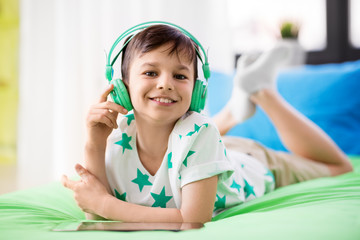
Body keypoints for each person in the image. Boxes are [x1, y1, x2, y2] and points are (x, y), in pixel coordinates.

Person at [61, 23, 353, 224]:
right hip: (201, 153)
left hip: (249, 160)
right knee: (199, 135)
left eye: (180, 76)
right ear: (121, 87)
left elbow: (192, 218)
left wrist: (104, 204)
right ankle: (235, 111)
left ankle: (264, 93)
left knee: (341, 167)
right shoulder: (116, 136)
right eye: (150, 73)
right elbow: (94, 219)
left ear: (197, 92)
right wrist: (93, 141)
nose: (165, 84)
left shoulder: (201, 132)